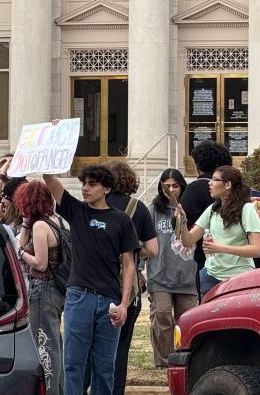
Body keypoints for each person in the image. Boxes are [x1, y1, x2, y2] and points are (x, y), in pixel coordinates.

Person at [42, 165, 138, 395]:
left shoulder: (122, 220)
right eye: (83, 183)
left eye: (92, 184)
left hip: (110, 301)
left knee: (105, 367)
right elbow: (50, 179)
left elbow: (129, 265)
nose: (85, 188)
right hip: (78, 297)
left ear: (106, 188)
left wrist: (125, 304)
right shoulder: (77, 211)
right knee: (74, 364)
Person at [93, 161, 157, 395]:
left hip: (95, 279)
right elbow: (153, 248)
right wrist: (131, 252)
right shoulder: (137, 207)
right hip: (127, 287)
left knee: (92, 343)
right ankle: (115, 389)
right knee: (121, 345)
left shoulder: (94, 204)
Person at [176, 165, 260, 298]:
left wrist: (220, 248)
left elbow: (256, 250)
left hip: (239, 278)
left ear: (227, 184)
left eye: (215, 180)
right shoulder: (212, 209)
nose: (209, 183)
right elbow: (188, 241)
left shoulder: (247, 209)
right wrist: (182, 222)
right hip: (210, 277)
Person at [14, 181, 65, 395]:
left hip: (43, 287)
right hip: (57, 289)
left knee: (45, 345)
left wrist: (20, 254)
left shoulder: (41, 226)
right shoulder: (58, 220)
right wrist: (26, 223)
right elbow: (21, 240)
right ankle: (59, 389)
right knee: (55, 342)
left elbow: (40, 263)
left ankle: (50, 391)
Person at [146, 169, 198, 368]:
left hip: (186, 275)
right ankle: (166, 361)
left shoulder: (190, 210)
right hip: (160, 274)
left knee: (186, 319)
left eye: (175, 186)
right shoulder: (153, 210)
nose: (171, 190)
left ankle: (185, 360)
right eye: (166, 186)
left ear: (182, 186)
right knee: (162, 316)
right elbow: (144, 241)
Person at [179, 140, 232, 296]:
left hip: (210, 262)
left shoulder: (196, 188)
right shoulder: (240, 191)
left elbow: (181, 222)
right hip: (239, 262)